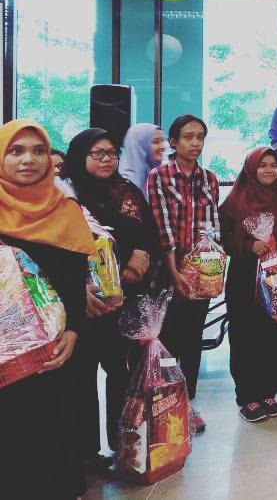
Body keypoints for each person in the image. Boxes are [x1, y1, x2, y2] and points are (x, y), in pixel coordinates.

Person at [0, 120, 94, 500]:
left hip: (52, 348)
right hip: (3, 350)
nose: (28, 159)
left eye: (38, 151)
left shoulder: (64, 209)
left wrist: (74, 331)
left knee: (52, 424)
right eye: (16, 151)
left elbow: (74, 279)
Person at [61, 127, 160, 471]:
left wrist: (140, 257)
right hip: (85, 301)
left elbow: (149, 233)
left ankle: (125, 445)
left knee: (123, 372)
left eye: (111, 153)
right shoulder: (66, 195)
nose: (106, 159)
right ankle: (87, 451)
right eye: (97, 153)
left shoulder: (128, 191)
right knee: (82, 375)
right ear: (80, 157)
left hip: (127, 299)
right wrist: (82, 286)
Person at [220, 146, 277, 423]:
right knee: (245, 337)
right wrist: (250, 245)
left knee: (274, 336)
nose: (269, 170)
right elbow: (224, 239)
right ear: (251, 169)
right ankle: (248, 397)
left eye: (273, 165)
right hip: (245, 279)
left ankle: (268, 393)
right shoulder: (235, 202)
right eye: (262, 165)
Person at [148, 114, 221, 433]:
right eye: (188, 137)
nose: (195, 143)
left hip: (201, 275)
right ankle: (164, 406)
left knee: (192, 342)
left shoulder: (210, 179)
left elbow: (213, 229)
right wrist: (174, 272)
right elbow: (162, 227)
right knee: (167, 342)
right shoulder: (159, 176)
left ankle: (188, 404)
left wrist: (213, 274)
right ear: (173, 142)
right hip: (167, 273)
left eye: (200, 137)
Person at [119, 123, 166, 195]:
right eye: (156, 142)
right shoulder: (126, 184)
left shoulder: (156, 175)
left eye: (163, 141)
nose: (163, 147)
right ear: (140, 146)